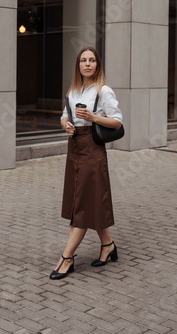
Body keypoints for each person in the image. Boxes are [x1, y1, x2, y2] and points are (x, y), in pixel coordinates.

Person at [50, 46, 123, 280]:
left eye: (92, 60)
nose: (88, 64)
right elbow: (64, 114)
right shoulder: (73, 91)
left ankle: (67, 257)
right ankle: (108, 245)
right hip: (74, 149)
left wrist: (93, 118)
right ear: (78, 65)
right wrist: (65, 124)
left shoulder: (103, 91)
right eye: (83, 60)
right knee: (86, 200)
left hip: (92, 150)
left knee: (82, 204)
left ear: (97, 64)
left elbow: (117, 123)